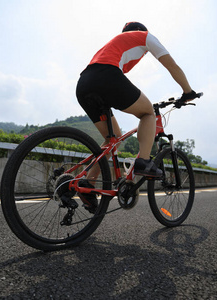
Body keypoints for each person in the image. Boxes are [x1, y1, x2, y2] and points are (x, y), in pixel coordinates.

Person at [75, 22, 197, 212]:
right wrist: (188, 92)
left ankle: (87, 184)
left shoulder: (115, 45)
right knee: (147, 112)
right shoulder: (145, 36)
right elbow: (172, 66)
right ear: (140, 30)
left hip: (84, 83)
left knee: (112, 138)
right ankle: (144, 162)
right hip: (106, 76)